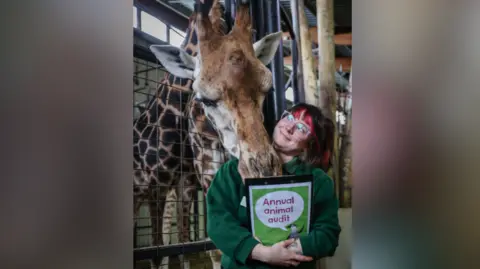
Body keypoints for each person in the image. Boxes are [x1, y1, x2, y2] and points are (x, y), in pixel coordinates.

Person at [206, 103, 341, 269]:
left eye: (302, 127)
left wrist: (290, 250)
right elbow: (218, 222)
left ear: (309, 145)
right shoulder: (233, 171)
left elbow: (328, 234)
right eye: (289, 117)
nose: (290, 126)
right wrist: (262, 253)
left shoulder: (319, 181)